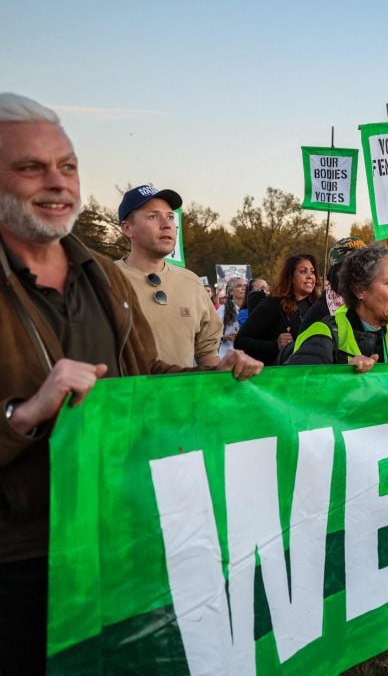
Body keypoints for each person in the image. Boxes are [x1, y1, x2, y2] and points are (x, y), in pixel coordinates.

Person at [0, 93, 261, 673]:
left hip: (121, 513)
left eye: (67, 166)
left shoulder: (101, 283)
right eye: (29, 166)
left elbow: (150, 376)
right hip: (23, 548)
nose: (56, 181)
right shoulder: (117, 275)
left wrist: (215, 376)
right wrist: (24, 412)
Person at [288, 246, 388, 675]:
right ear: (358, 290)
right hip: (331, 480)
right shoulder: (324, 330)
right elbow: (293, 390)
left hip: (383, 474)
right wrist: (339, 375)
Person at [115, 184, 223, 367]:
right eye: (152, 216)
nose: (166, 225)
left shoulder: (191, 283)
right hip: (123, 395)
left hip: (184, 395)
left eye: (171, 217)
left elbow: (208, 354)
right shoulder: (104, 280)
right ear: (127, 229)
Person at [235, 253, 319, 365]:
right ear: (291, 277)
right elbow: (240, 341)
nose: (310, 276)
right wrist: (275, 345)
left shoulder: (319, 306)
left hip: (314, 375)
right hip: (280, 377)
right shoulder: (273, 304)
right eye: (303, 271)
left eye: (312, 271)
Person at [298, 236, 366, 336]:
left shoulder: (372, 305)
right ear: (338, 273)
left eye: (367, 266)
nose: (363, 272)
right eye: (355, 267)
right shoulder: (319, 314)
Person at [216, 277, 247, 358]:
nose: (243, 288)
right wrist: (224, 337)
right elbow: (212, 333)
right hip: (227, 355)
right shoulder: (223, 309)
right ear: (231, 292)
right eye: (239, 286)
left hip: (249, 355)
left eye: (245, 285)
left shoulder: (253, 308)